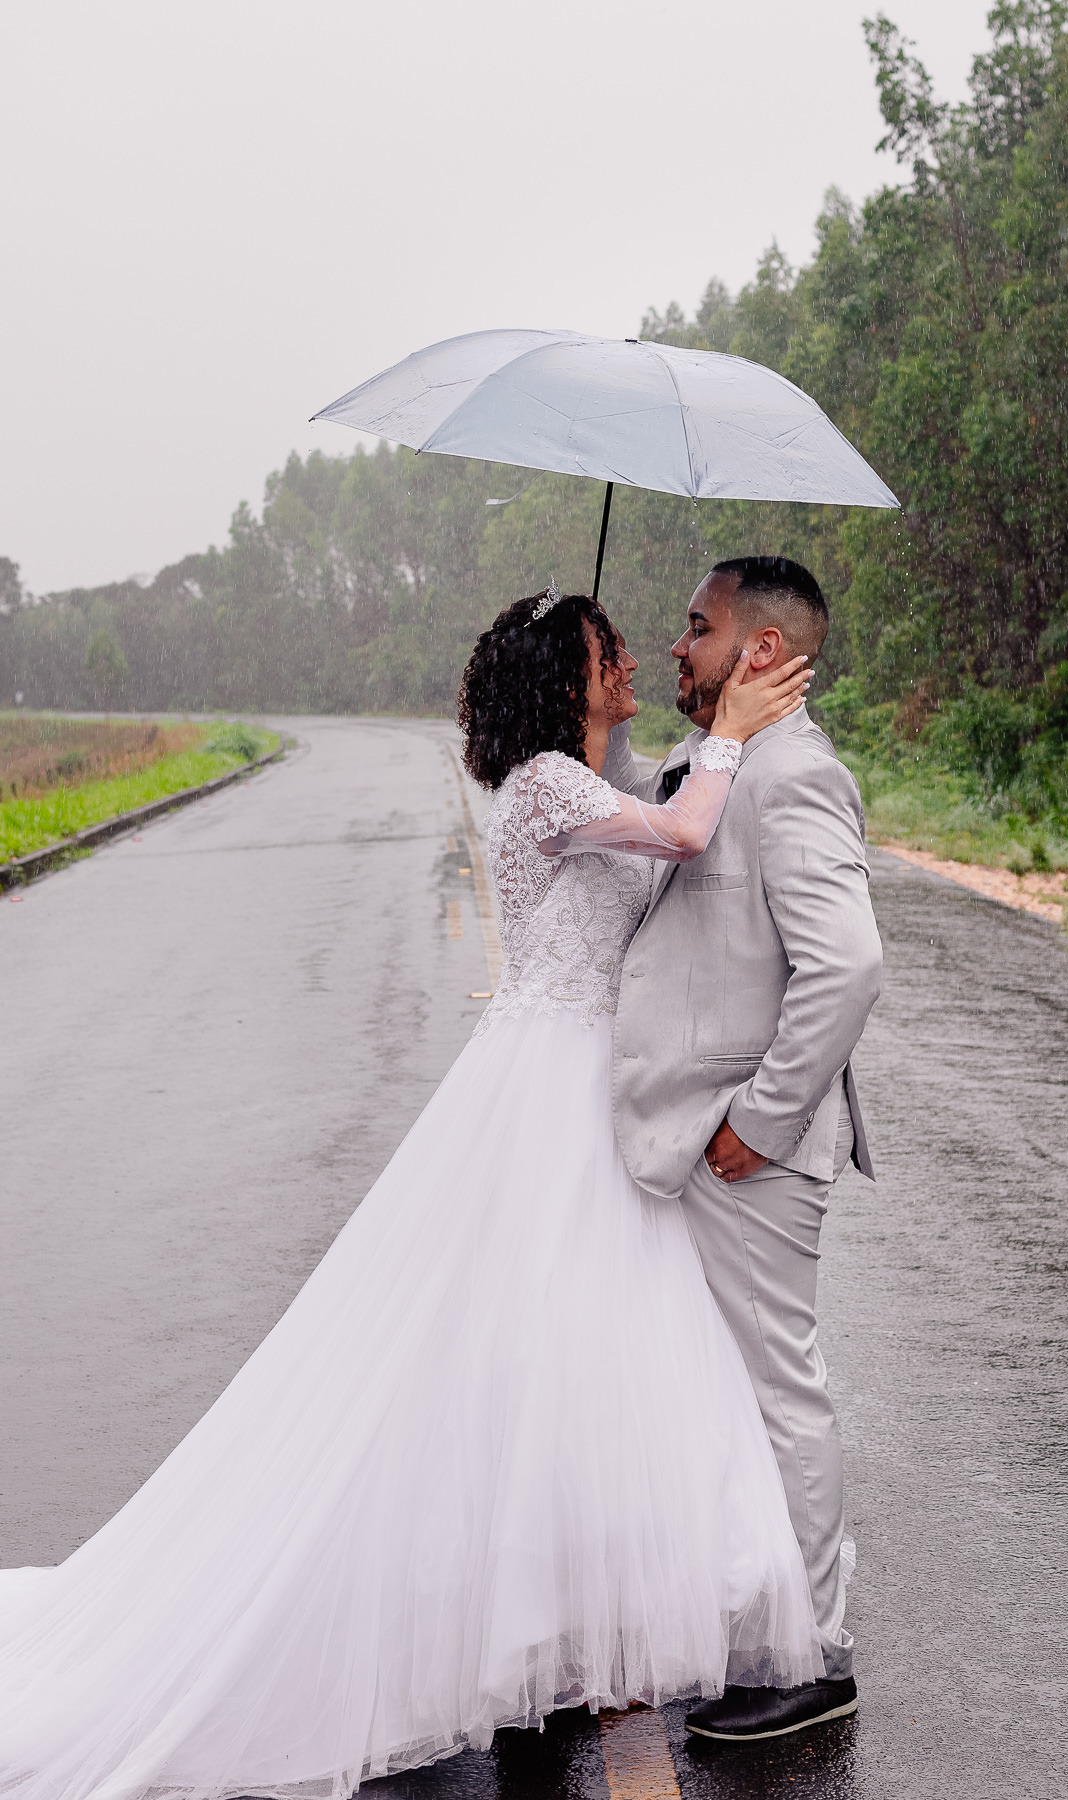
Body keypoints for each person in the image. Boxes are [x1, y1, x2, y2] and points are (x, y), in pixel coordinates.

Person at [0, 584, 818, 1800]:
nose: (631, 662)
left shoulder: (589, 779)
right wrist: (736, 733)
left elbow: (667, 827)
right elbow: (689, 834)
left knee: (583, 1360)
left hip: (597, 1080)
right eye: (608, 652)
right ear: (563, 677)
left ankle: (558, 1617)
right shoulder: (544, 783)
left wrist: (718, 743)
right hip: (550, 1090)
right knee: (533, 1348)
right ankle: (541, 1625)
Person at [603, 556, 883, 1743]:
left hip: (746, 1152)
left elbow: (849, 966)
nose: (679, 644)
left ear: (761, 651)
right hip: (694, 1139)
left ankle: (814, 1657)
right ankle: (746, 1621)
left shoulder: (794, 776)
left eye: (698, 628)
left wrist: (755, 1125)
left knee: (778, 1394)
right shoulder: (724, 763)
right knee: (717, 1394)